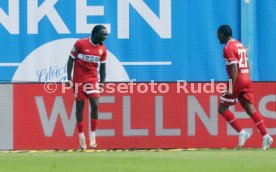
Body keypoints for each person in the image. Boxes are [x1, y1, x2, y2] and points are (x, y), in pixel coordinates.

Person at [217, 25, 273, 150]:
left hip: (237, 80)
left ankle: (242, 132)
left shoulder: (228, 47)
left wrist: (231, 86)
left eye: (218, 34)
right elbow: (246, 62)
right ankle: (266, 135)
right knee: (250, 109)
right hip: (247, 78)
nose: (217, 37)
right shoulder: (239, 44)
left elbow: (234, 68)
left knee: (222, 108)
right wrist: (247, 77)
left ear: (222, 34)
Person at [67, 25, 107, 150]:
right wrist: (69, 78)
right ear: (94, 34)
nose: (104, 37)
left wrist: (102, 82)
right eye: (102, 35)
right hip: (79, 80)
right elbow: (70, 60)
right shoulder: (80, 43)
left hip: (92, 80)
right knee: (80, 107)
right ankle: (81, 136)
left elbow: (103, 67)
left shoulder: (102, 49)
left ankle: (92, 135)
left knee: (95, 104)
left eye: (106, 35)